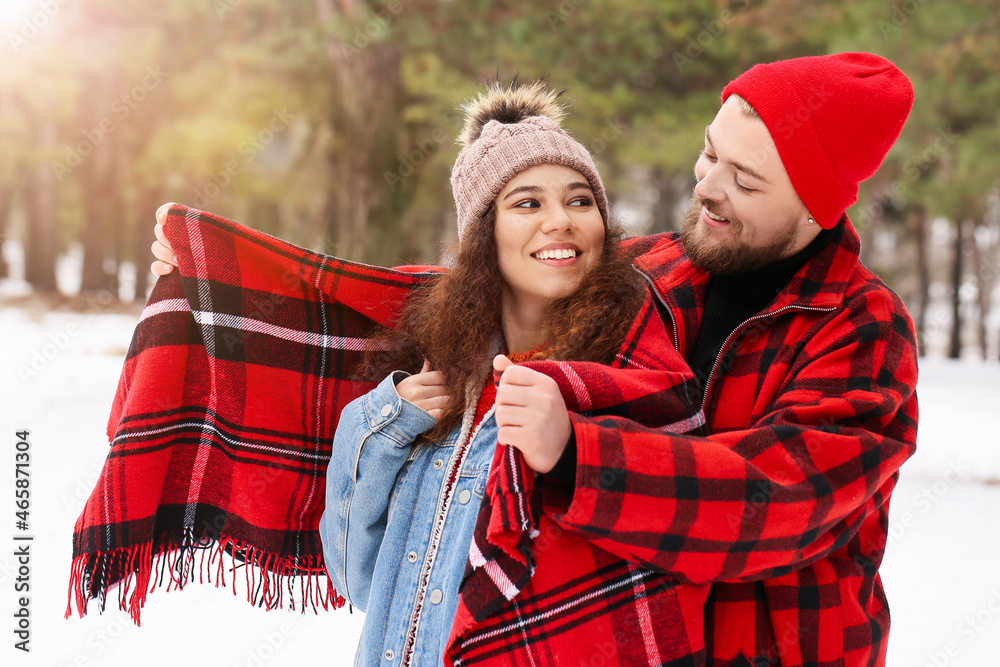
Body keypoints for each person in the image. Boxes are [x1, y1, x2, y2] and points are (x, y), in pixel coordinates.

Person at [150, 52, 919, 666]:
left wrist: (578, 455)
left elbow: (779, 502)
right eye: (709, 154)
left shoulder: (863, 330)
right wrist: (222, 273)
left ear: (819, 205)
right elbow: (479, 288)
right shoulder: (653, 270)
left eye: (743, 180)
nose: (706, 188)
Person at [155, 81, 709, 665]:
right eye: (527, 203)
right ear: (482, 235)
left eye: (580, 201)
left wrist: (574, 449)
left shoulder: (629, 374)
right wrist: (380, 427)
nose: (561, 222)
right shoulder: (438, 380)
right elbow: (360, 580)